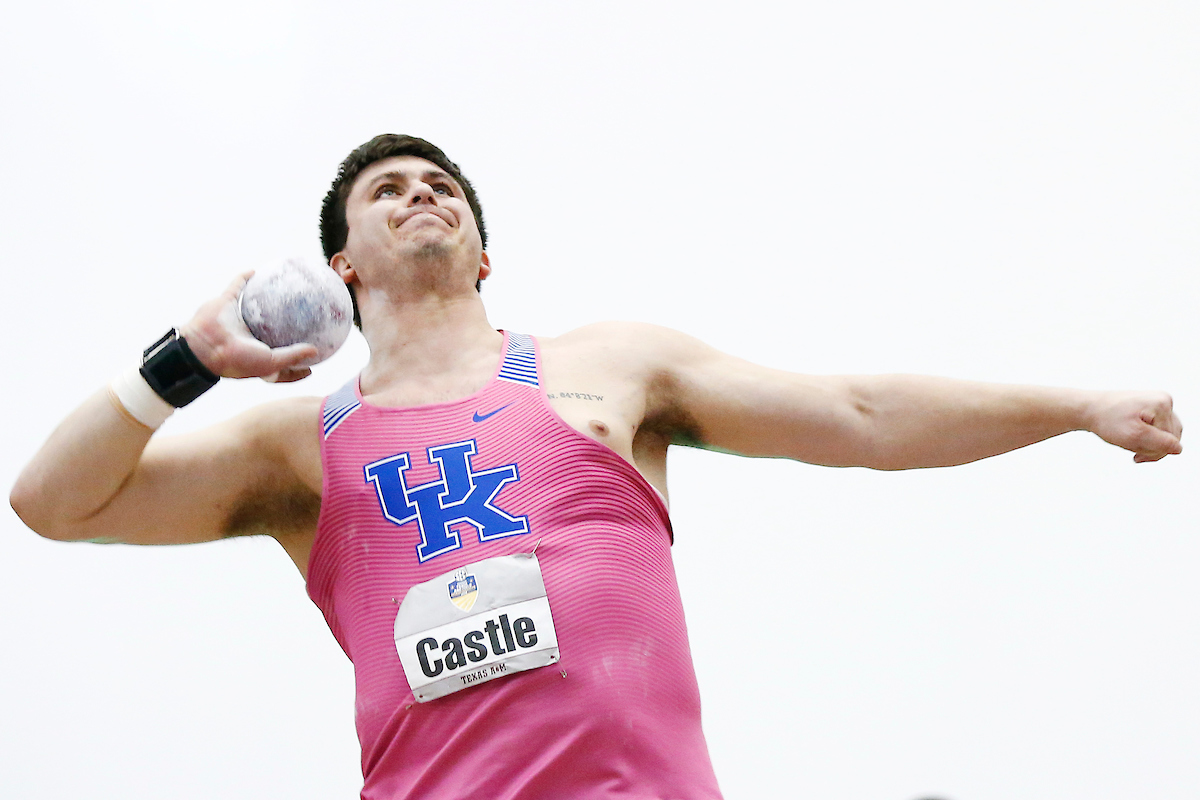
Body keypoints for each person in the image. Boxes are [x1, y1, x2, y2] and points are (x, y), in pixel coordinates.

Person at [9, 134, 1183, 799]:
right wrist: (186, 361)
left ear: (483, 253)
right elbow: (52, 502)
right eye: (386, 191)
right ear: (341, 266)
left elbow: (861, 410)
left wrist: (1076, 404)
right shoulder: (298, 447)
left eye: (443, 187)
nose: (421, 193)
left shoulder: (609, 370)